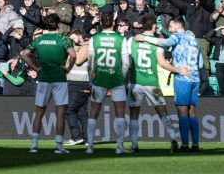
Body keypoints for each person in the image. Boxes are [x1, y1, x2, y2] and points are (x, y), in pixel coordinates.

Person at [136, 15, 203, 152]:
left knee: (182, 113)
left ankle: (184, 146)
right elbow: (201, 63)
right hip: (195, 78)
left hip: (182, 78)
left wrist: (145, 38)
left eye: (171, 26)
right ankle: (195, 145)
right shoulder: (194, 40)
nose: (170, 29)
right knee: (192, 113)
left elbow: (165, 43)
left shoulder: (177, 36)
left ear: (178, 26)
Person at [127, 15, 190, 152]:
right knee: (163, 112)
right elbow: (162, 63)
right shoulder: (158, 42)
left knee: (133, 114)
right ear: (154, 26)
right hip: (152, 82)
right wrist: (178, 70)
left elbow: (126, 61)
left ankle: (134, 145)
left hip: (135, 83)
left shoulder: (132, 40)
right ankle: (173, 140)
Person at [21, 14, 74, 154]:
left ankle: (34, 145)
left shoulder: (39, 39)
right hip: (59, 78)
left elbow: (24, 54)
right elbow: (73, 55)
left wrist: (35, 68)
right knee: (60, 113)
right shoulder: (63, 39)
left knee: (39, 113)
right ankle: (59, 146)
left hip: (44, 78)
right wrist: (68, 67)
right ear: (58, 25)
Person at [83, 11, 129, 155]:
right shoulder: (121, 39)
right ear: (114, 23)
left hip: (99, 80)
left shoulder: (94, 39)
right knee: (120, 113)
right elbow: (126, 63)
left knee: (94, 113)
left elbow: (90, 64)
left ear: (101, 23)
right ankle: (119, 146)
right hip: (116, 80)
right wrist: (121, 76)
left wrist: (91, 79)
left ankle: (90, 146)